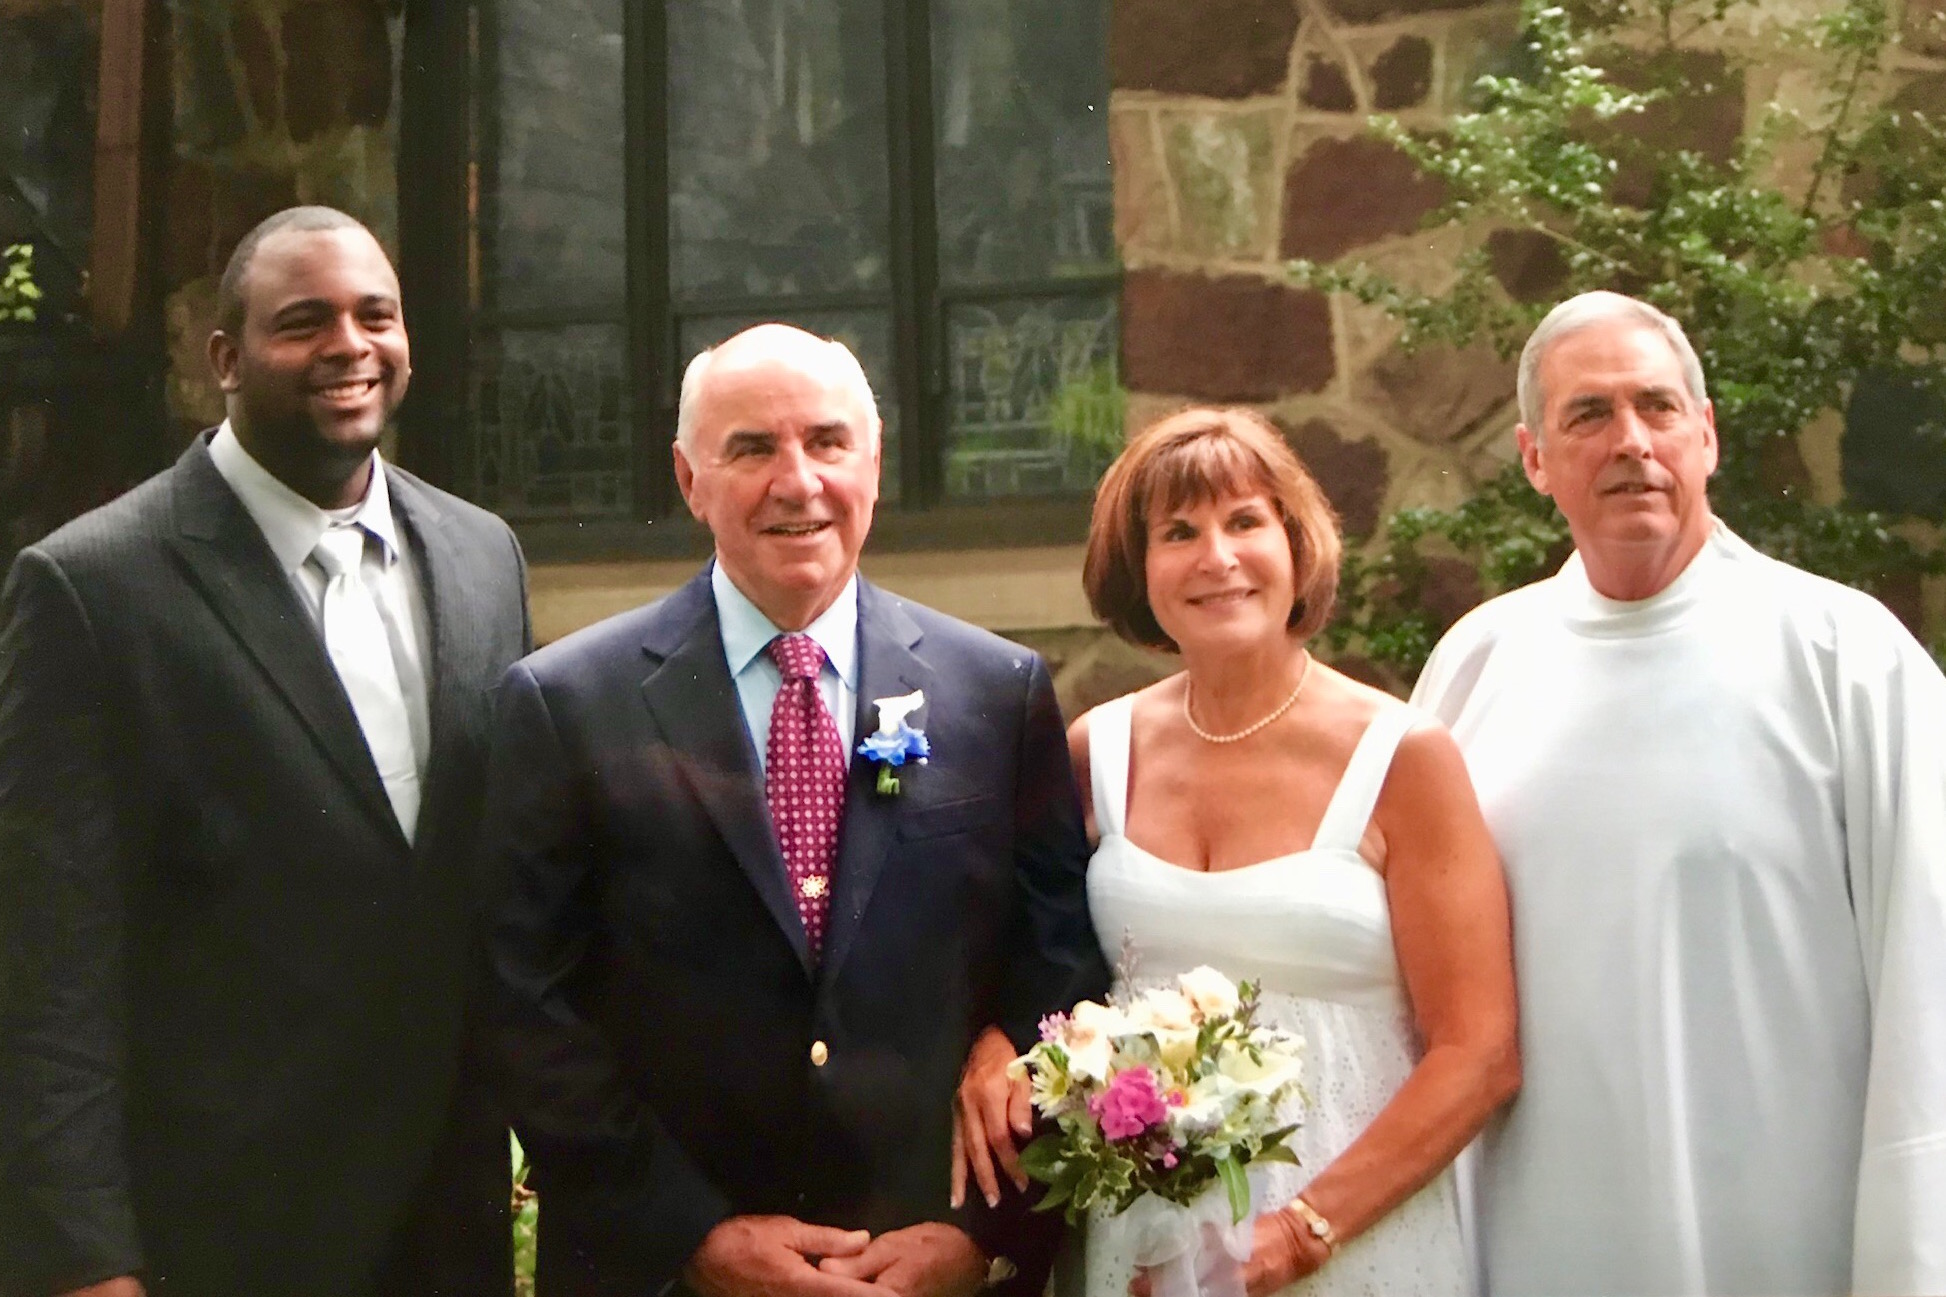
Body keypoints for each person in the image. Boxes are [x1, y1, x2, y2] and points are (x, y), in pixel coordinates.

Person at [483, 323, 1108, 1297]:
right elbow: (526, 1004)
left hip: (926, 1270)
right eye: (751, 448)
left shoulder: (997, 690)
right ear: (688, 480)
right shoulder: (565, 705)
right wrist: (693, 1238)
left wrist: (982, 1235)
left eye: (825, 441)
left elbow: (1059, 965)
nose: (797, 480)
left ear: (874, 461)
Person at [0, 206, 532, 1297]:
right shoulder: (91, 590)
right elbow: (47, 963)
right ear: (224, 361)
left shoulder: (484, 557)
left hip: (448, 1228)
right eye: (304, 321)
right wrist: (85, 1260)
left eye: (374, 314)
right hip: (218, 1233)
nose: (349, 344)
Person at [1411, 290, 1946, 1296]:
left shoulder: (1847, 659)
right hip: (1544, 1237)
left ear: (1704, 434)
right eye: (1587, 415)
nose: (1630, 442)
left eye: (1655, 407)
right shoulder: (1475, 668)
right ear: (1533, 458)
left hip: (1790, 1233)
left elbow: (1932, 980)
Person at [959, 407, 1519, 1297]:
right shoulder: (1094, 753)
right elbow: (1024, 961)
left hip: (1350, 1232)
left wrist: (1298, 1235)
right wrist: (992, 1042)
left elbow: (1479, 1053)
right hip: (1138, 1243)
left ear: (1296, 545)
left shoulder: (1403, 757)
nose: (1216, 556)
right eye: (1178, 532)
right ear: (1139, 573)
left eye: (1246, 521)